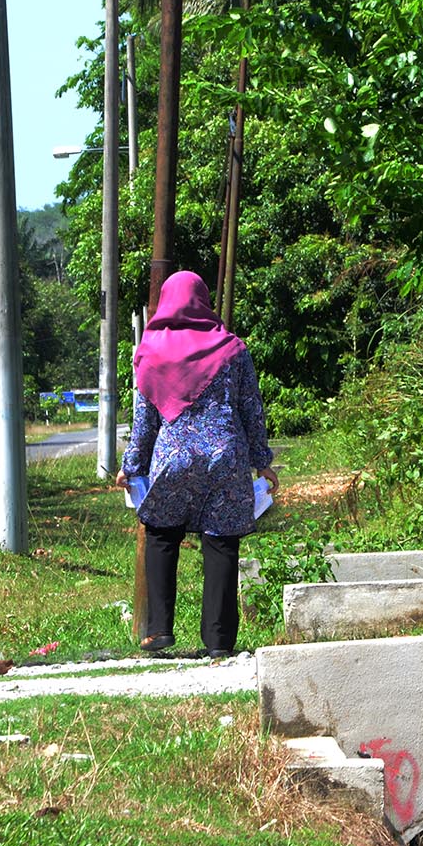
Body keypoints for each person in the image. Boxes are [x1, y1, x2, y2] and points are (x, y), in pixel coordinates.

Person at [115, 271, 277, 658]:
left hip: (173, 458)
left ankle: (158, 630)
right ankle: (219, 641)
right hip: (226, 457)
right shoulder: (232, 349)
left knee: (161, 532)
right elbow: (251, 410)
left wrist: (132, 465)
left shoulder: (151, 352)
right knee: (221, 540)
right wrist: (263, 463)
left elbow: (145, 419)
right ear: (203, 300)